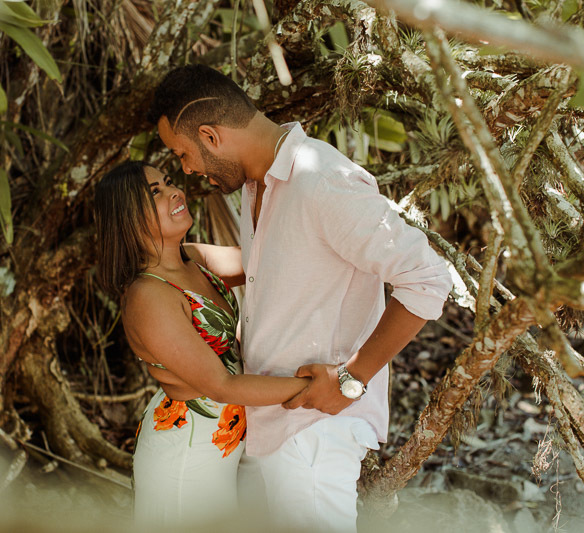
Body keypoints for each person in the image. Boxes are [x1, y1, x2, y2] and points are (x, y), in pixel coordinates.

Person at [148, 65, 454, 532]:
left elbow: (428, 278)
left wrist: (353, 378)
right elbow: (271, 271)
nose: (186, 169)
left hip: (314, 428)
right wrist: (168, 257)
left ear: (210, 135)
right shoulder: (259, 184)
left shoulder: (321, 180)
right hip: (272, 426)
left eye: (184, 153)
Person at [93, 160, 309, 527]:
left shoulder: (192, 259)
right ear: (126, 218)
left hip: (221, 449)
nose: (175, 192)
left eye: (168, 182)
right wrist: (313, 388)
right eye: (155, 193)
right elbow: (221, 385)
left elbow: (264, 265)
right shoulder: (148, 295)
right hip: (184, 459)